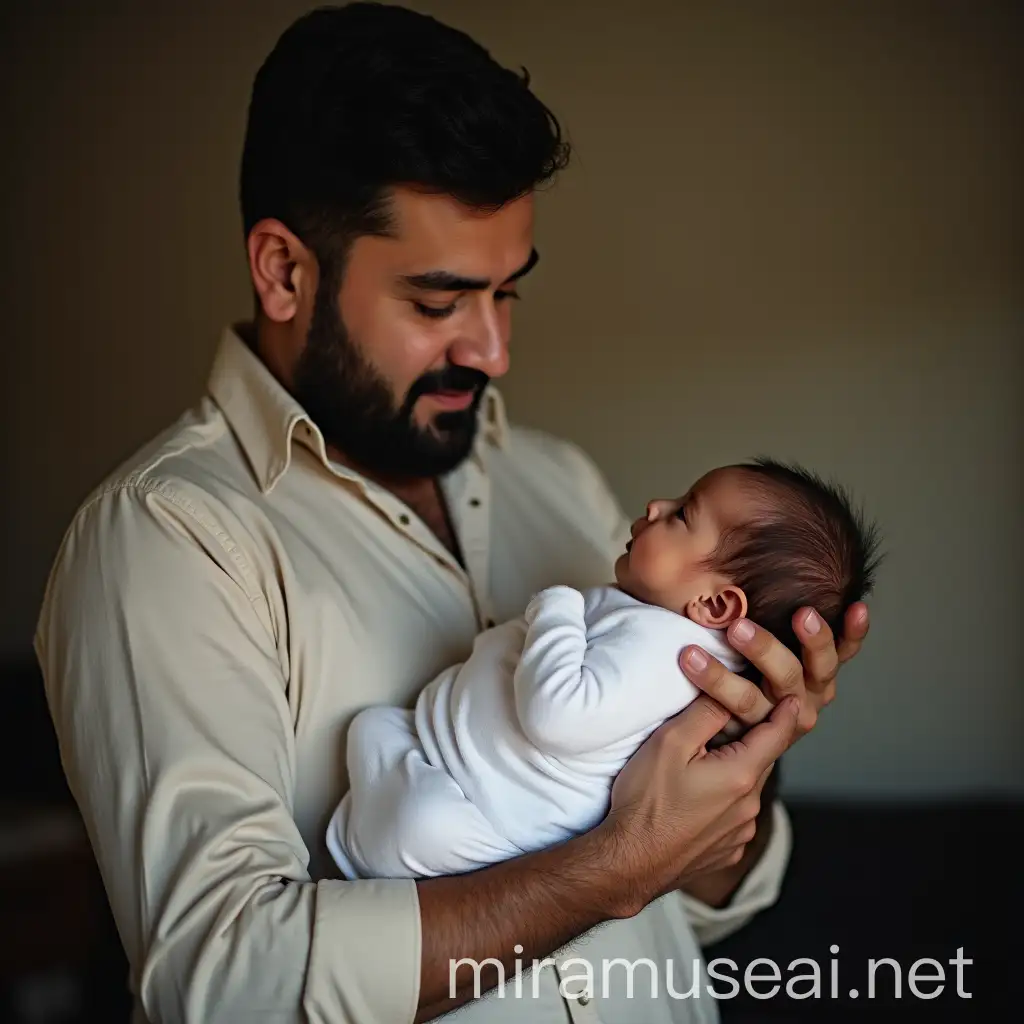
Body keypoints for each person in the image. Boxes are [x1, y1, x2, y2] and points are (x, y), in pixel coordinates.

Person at [34, 4, 871, 1022]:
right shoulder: (165, 543)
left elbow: (697, 904)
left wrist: (752, 737)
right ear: (284, 270)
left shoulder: (558, 483)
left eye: (506, 293)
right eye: (439, 303)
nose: (492, 351)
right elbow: (224, 986)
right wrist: (605, 871)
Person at [329, 459, 881, 880]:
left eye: (683, 513)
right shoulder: (652, 616)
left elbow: (558, 716)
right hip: (445, 750)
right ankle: (367, 839)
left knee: (422, 825)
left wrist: (556, 608)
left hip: (489, 821)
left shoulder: (671, 655)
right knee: (372, 730)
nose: (655, 506)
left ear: (715, 607)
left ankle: (367, 853)